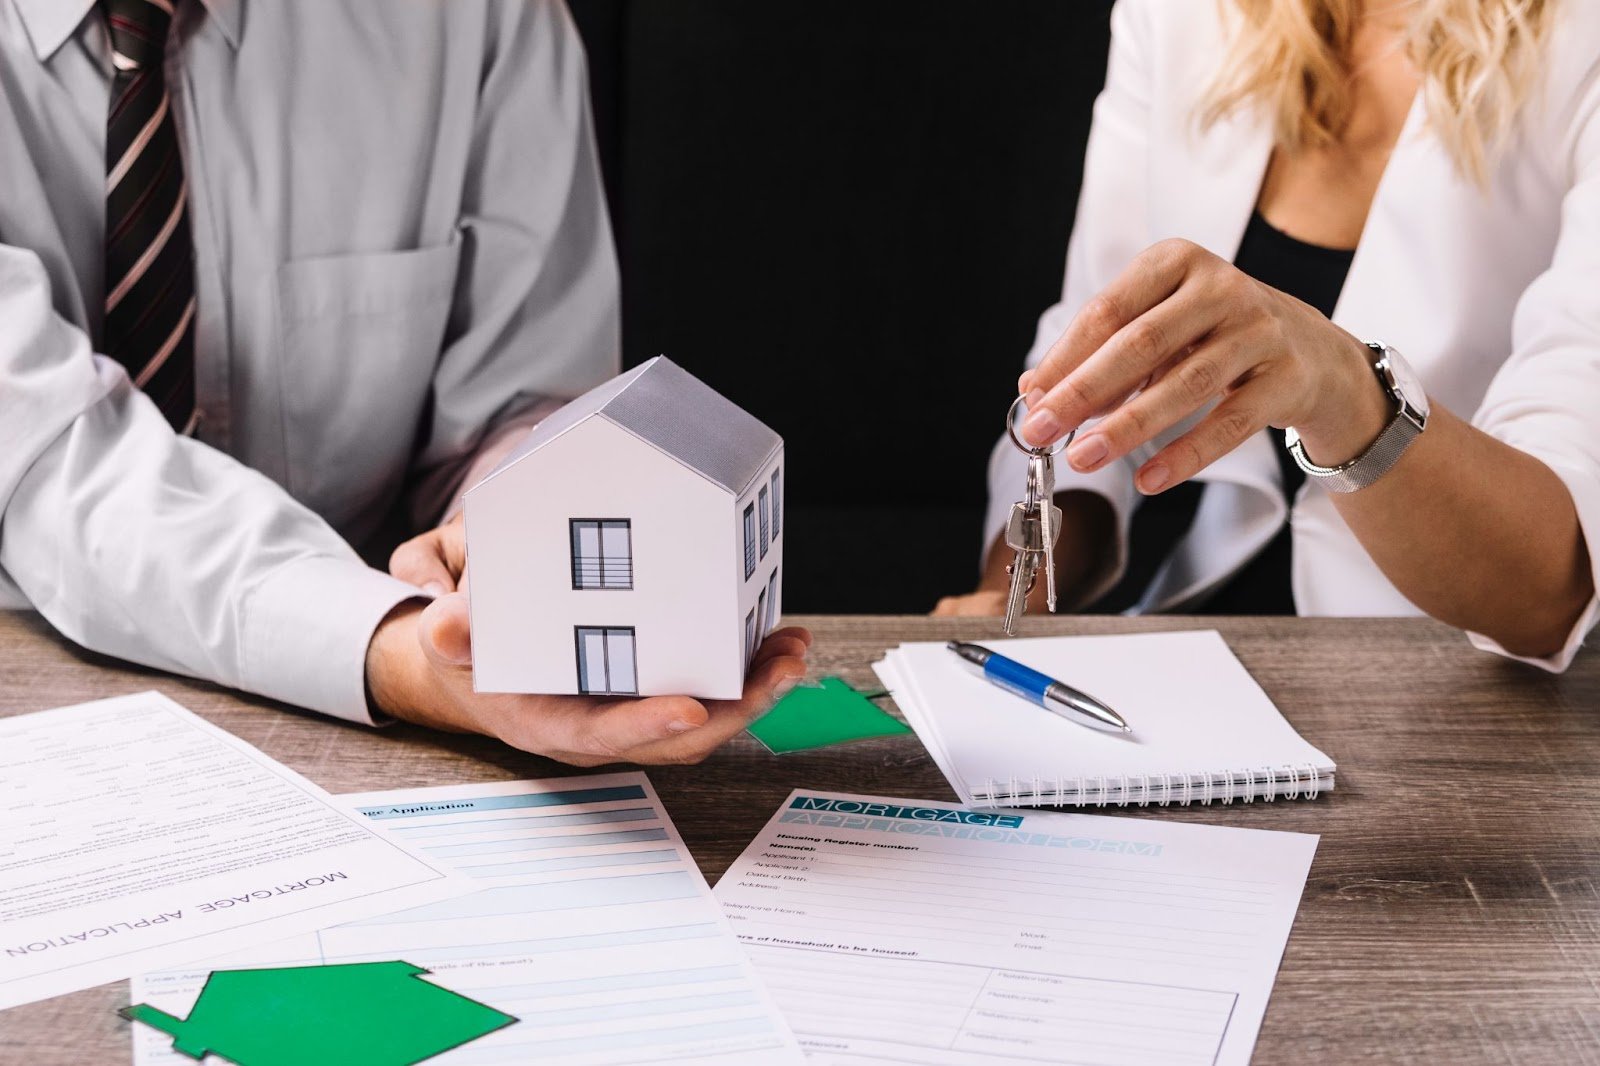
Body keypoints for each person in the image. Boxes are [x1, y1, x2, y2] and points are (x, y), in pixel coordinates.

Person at [0, 0, 807, 763]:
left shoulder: (482, 16)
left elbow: (525, 399)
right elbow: (47, 467)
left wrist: (500, 562)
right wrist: (405, 653)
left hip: (391, 741)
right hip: (45, 693)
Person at [937, 0, 1599, 670]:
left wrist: (1344, 391)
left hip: (1463, 677)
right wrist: (1013, 594)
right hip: (1215, 647)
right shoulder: (1181, 16)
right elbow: (1096, 362)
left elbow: (1550, 595)